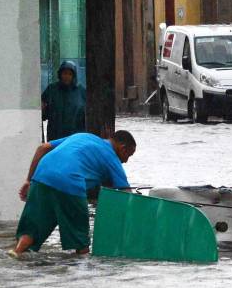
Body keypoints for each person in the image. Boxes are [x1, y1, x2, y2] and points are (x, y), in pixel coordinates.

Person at [8, 130, 136, 258]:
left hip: (41, 176)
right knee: (81, 240)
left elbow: (43, 147)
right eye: (128, 156)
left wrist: (28, 180)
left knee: (32, 228)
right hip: (70, 183)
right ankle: (82, 270)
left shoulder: (83, 136)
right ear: (123, 149)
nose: (126, 161)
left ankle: (17, 253)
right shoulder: (111, 157)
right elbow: (126, 193)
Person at [41, 60, 86, 141]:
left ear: (74, 75)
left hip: (74, 134)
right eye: (64, 73)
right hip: (55, 134)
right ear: (60, 74)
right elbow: (42, 107)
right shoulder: (52, 89)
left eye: (70, 74)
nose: (67, 76)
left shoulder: (80, 91)